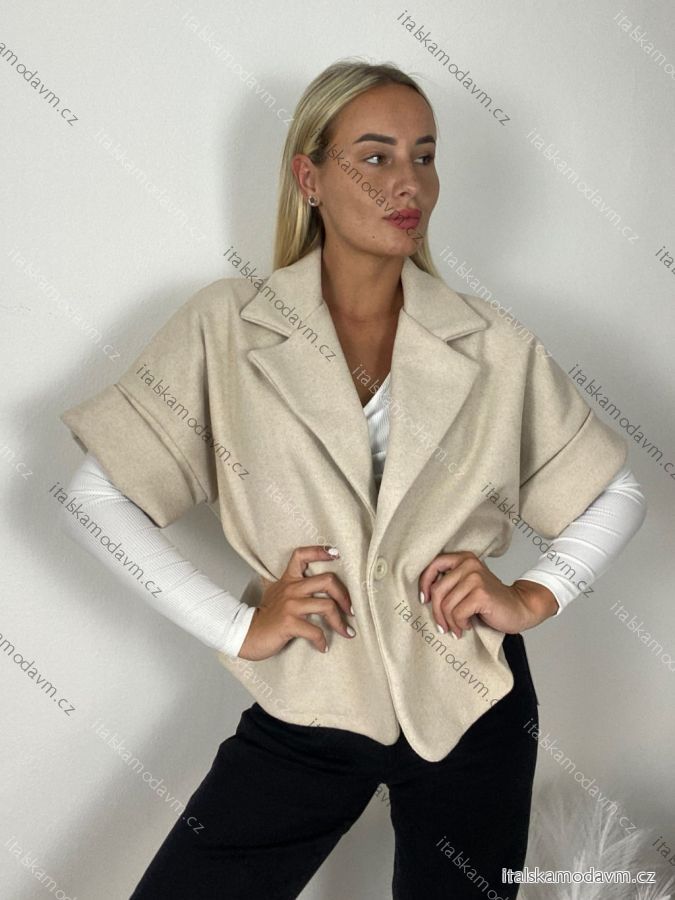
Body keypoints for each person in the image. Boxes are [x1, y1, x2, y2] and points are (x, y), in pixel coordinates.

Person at [58, 59, 647, 899]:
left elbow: (614, 492)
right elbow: (95, 496)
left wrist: (532, 595)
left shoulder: (492, 343)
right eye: (374, 157)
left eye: (423, 156)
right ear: (309, 178)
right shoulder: (228, 327)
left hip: (472, 703)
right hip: (311, 696)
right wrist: (236, 627)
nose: (408, 182)